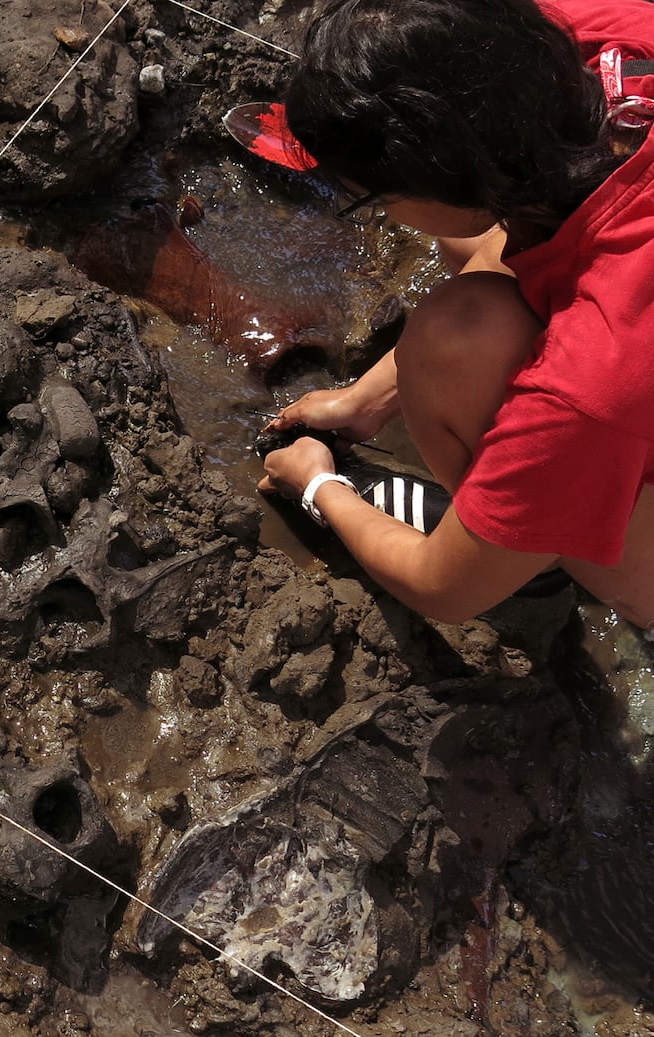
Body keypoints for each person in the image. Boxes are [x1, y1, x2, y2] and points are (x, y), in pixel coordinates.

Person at [254, 0, 654, 627]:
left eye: (373, 199)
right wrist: (367, 398)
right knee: (475, 257)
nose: (382, 212)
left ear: (444, 179)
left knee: (453, 337)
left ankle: (531, 559)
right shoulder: (604, 34)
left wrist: (318, 485)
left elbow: (442, 590)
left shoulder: (593, 378)